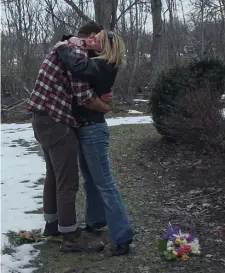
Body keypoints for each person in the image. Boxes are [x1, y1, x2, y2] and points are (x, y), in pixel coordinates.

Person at [25, 22, 110, 253]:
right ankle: (71, 237)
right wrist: (105, 106)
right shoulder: (78, 51)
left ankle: (52, 226)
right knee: (68, 181)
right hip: (56, 121)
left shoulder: (64, 46)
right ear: (92, 35)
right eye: (102, 38)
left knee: (53, 175)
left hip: (40, 119)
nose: (102, 45)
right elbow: (83, 95)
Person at [54, 28, 134, 256]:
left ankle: (122, 237)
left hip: (93, 131)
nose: (90, 41)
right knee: (91, 180)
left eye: (95, 40)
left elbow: (76, 66)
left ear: (105, 47)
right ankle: (96, 221)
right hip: (85, 129)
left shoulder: (104, 65)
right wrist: (68, 39)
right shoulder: (96, 60)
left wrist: (61, 47)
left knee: (105, 183)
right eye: (91, 37)